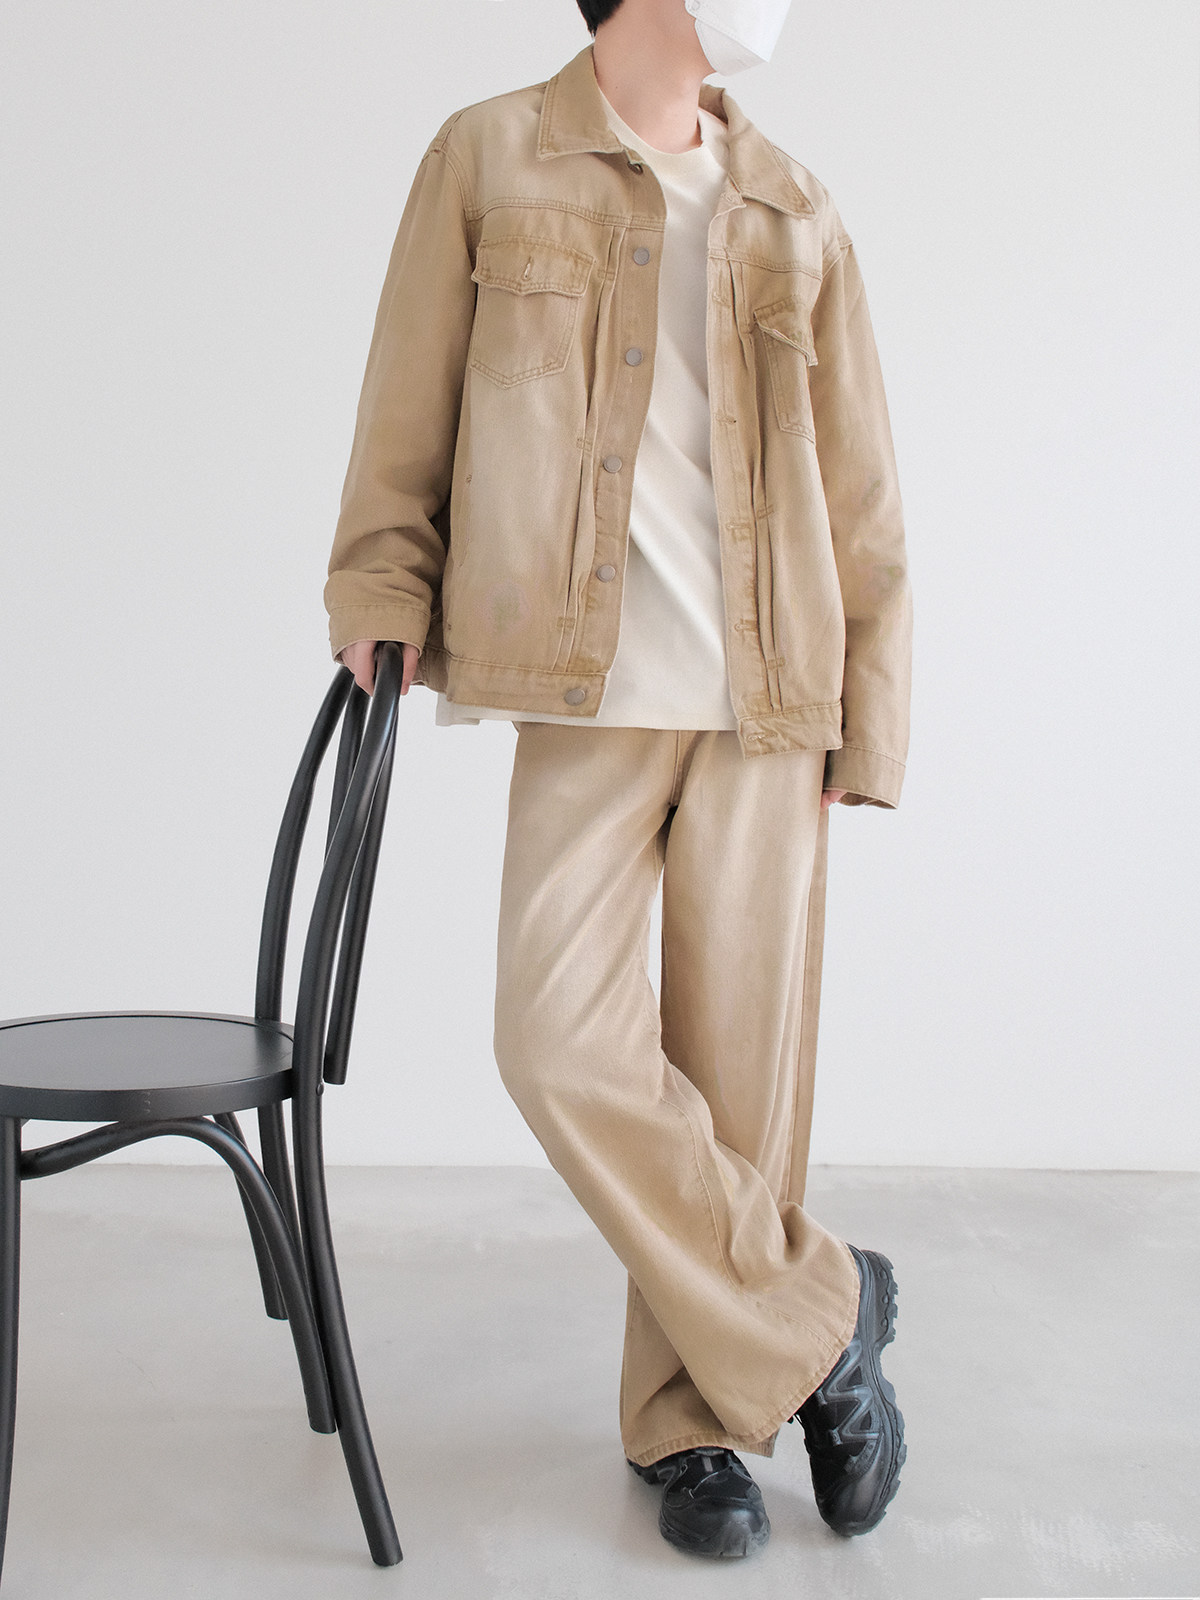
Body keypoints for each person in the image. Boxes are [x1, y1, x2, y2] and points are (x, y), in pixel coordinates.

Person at [325, 0, 912, 1561]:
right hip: (579, 692)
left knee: (738, 1084)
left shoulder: (793, 203)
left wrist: (872, 716)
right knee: (555, 1040)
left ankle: (693, 1429)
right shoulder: (489, 156)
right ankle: (830, 1313)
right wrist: (379, 586)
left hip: (771, 704)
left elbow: (861, 488)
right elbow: (405, 404)